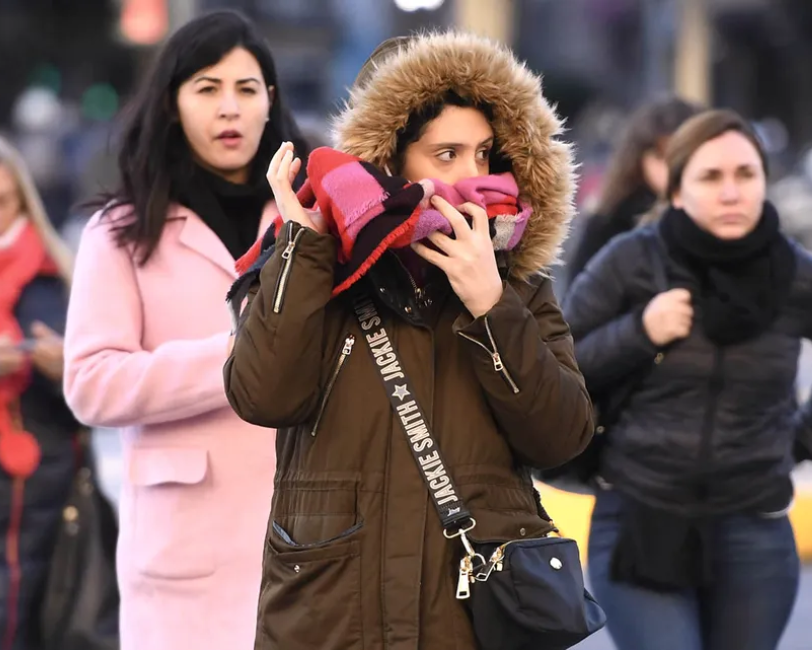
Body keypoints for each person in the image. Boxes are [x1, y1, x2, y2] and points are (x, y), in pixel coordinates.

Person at [223, 32, 595, 650]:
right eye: (445, 154)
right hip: (333, 617)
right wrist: (305, 249)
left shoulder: (518, 286)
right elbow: (262, 396)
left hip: (469, 620)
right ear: (388, 162)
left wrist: (490, 306)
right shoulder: (315, 265)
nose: (473, 178)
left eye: (485, 155)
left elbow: (562, 437)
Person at [563, 109, 812, 650]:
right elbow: (559, 368)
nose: (732, 192)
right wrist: (640, 331)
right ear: (677, 191)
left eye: (746, 175)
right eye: (711, 177)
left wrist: (804, 441)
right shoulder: (631, 260)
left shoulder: (796, 273)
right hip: (640, 518)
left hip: (753, 527)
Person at [62, 11, 309, 650]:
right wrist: (236, 360)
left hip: (313, 537)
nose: (229, 108)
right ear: (172, 103)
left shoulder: (311, 221)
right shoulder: (119, 232)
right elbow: (90, 383)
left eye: (246, 89)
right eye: (207, 88)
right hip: (185, 552)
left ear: (270, 101)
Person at [0, 134, 80, 650]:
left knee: (48, 618)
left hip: (47, 487)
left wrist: (68, 369)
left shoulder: (58, 275)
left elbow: (100, 395)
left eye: (5, 200)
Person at [560, 96, 702, 288]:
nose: (673, 169)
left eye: (683, 156)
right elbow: (578, 304)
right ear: (639, 159)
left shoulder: (720, 215)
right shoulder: (610, 223)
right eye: (662, 156)